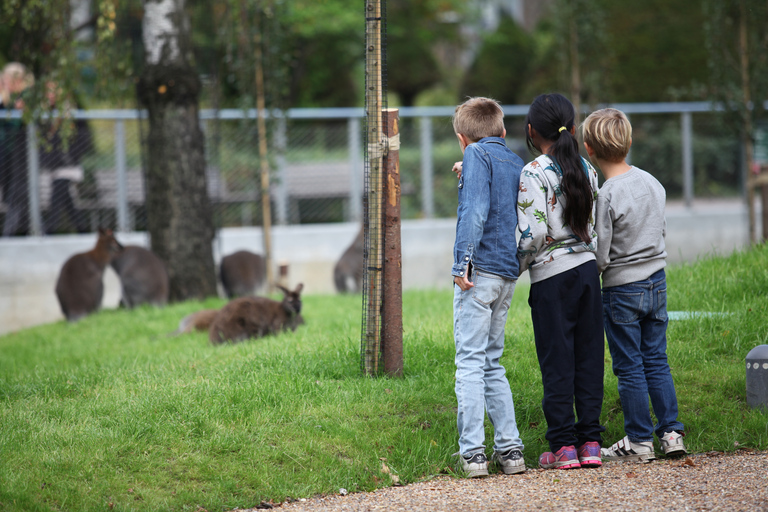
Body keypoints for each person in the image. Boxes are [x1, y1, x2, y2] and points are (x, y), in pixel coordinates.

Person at [582, 108, 687, 462]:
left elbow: (602, 251)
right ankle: (672, 434)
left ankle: (639, 440)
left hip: (622, 288)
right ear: (629, 141)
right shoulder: (651, 182)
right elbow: (660, 230)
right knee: (657, 359)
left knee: (629, 365)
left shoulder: (608, 194)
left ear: (589, 149)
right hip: (657, 281)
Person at [517, 93, 604, 470]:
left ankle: (564, 447)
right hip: (587, 273)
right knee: (589, 359)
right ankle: (591, 444)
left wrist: (516, 266)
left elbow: (531, 236)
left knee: (557, 360)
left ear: (532, 130)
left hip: (552, 279)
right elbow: (597, 225)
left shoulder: (533, 172)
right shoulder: (587, 167)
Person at [450, 97, 526, 478]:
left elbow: (476, 210)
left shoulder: (476, 153)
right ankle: (511, 451)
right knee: (493, 361)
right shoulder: (515, 161)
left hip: (478, 272)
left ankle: (473, 453)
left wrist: (461, 262)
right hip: (507, 273)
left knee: (469, 361)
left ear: (463, 140)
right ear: (504, 131)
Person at [40, 82, 92, 234]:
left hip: (69, 163)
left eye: (53, 92)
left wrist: (69, 156)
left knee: (59, 190)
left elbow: (84, 138)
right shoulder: (45, 113)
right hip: (54, 164)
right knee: (66, 198)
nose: (50, 95)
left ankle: (49, 229)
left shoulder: (73, 112)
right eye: (48, 92)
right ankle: (82, 229)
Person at [0, 63, 34, 237]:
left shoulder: (25, 96)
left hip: (21, 152)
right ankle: (30, 231)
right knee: (17, 195)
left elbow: (15, 124)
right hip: (7, 154)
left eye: (6, 79)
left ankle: (10, 234)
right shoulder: (7, 99)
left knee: (18, 193)